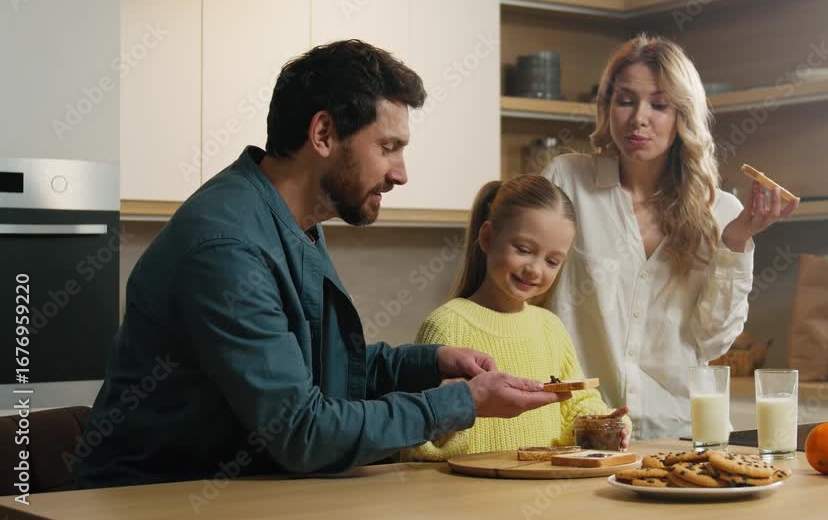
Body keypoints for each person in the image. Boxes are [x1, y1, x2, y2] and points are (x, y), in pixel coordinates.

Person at [76, 40, 568, 488]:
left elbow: (327, 369)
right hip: (148, 500)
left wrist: (429, 363)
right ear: (324, 133)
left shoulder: (293, 222)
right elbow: (301, 431)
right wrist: (465, 402)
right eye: (388, 147)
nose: (400, 173)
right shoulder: (226, 248)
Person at [541, 35, 798, 440]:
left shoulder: (723, 213)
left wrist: (735, 242)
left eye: (659, 105)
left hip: (682, 434)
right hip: (583, 435)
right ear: (607, 107)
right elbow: (531, 302)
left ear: (682, 116)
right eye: (625, 100)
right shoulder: (566, 183)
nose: (638, 117)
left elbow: (711, 342)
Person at [402, 175, 629, 461]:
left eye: (552, 261)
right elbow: (416, 438)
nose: (535, 269)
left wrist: (604, 424)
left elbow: (576, 404)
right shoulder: (447, 325)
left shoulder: (551, 328)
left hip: (540, 490)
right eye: (523, 250)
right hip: (463, 496)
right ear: (486, 237)